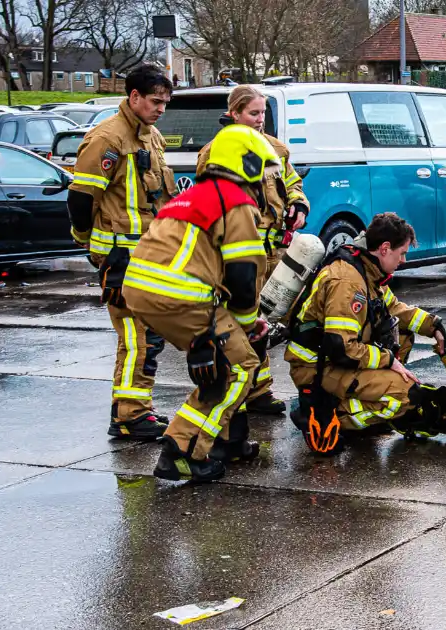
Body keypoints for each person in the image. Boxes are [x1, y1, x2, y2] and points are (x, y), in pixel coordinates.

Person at [123, 124, 278, 482]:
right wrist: (248, 321)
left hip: (144, 290)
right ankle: (182, 451)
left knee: (222, 366)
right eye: (264, 174)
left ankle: (224, 442)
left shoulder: (194, 195)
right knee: (241, 368)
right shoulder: (235, 202)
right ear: (249, 164)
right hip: (181, 295)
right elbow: (242, 274)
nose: (265, 184)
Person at [285, 212, 446, 454]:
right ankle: (329, 413)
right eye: (402, 253)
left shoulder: (368, 270)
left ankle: (367, 403)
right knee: (404, 395)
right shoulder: (347, 282)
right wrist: (388, 361)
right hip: (316, 368)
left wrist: (433, 326)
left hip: (336, 360)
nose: (404, 261)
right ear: (385, 248)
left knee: (403, 330)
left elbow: (393, 308)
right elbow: (341, 348)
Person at [66, 64, 176, 441]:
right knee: (136, 335)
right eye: (155, 101)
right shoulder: (107, 138)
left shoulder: (152, 137)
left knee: (150, 336)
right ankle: (129, 415)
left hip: (149, 254)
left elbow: (161, 196)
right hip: (120, 258)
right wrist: (83, 236)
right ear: (134, 97)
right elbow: (82, 196)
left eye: (165, 103)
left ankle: (135, 409)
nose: (161, 108)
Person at [194, 85, 309, 416]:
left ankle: (260, 391)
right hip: (238, 255)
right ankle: (238, 394)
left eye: (263, 114)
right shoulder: (214, 153)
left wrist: (298, 205)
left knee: (266, 323)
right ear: (234, 114)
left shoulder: (275, 149)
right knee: (241, 323)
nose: (260, 121)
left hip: (273, 252)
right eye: (252, 113)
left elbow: (293, 185)